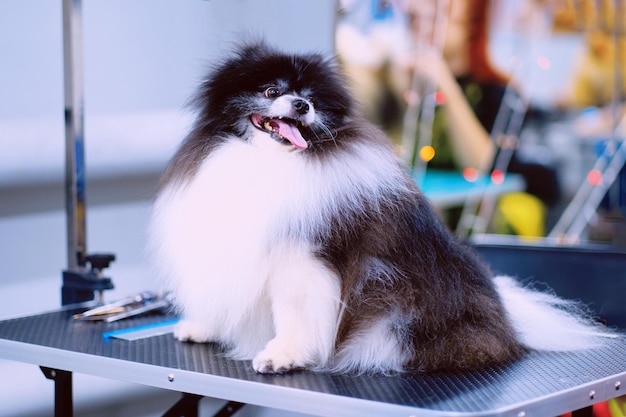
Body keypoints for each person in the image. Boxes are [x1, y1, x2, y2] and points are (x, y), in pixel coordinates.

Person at [337, 0, 561, 236]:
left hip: (492, 220)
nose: (424, 28)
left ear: (470, 26)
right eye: (415, 19)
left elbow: (482, 165)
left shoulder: (496, 93)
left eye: (437, 17)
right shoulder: (408, 86)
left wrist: (445, 84)